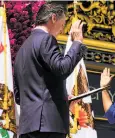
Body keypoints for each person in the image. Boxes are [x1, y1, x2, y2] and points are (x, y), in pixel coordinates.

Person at [13, 2, 86, 138]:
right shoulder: (46, 39)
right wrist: (77, 43)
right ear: (53, 18)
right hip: (47, 126)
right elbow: (62, 68)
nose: (62, 30)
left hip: (27, 127)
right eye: (63, 24)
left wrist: (60, 98)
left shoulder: (22, 50)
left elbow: (19, 96)